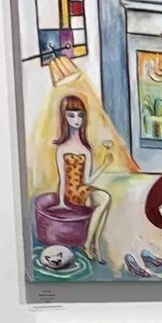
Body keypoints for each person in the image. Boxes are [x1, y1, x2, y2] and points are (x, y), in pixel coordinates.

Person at [52, 95, 112, 254]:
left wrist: (104, 165)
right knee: (105, 199)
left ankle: (94, 244)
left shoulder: (86, 150)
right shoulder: (62, 149)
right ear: (64, 118)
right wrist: (61, 202)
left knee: (105, 201)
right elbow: (62, 179)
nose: (77, 120)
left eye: (80, 115)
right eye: (71, 115)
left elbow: (87, 180)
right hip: (71, 193)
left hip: (82, 189)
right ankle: (89, 244)